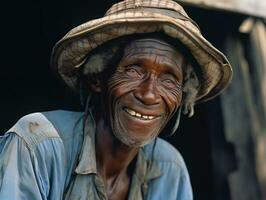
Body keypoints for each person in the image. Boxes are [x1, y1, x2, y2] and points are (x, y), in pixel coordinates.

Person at [0, 0, 232, 199]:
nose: (149, 93)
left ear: (181, 96)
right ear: (97, 78)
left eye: (169, 79)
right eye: (133, 70)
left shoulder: (169, 167)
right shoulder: (37, 145)